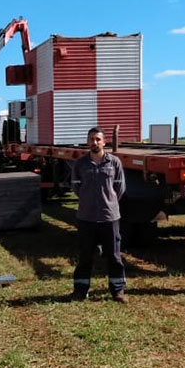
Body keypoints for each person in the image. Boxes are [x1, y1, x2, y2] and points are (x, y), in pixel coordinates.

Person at [70, 126, 128, 303]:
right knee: (85, 256)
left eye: (97, 139)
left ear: (104, 142)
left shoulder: (114, 162)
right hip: (86, 217)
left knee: (114, 256)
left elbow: (120, 188)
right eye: (91, 139)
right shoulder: (80, 164)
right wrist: (89, 201)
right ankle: (80, 290)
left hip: (109, 217)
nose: (94, 142)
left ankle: (117, 290)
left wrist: (107, 202)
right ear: (88, 142)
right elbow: (76, 187)